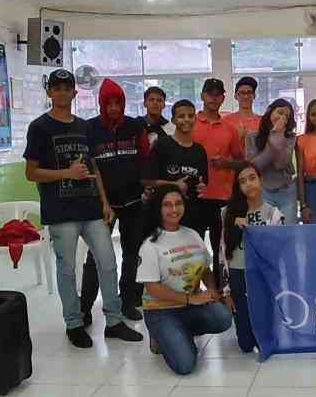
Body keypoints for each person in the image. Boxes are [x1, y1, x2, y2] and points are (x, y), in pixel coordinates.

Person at [23, 69, 142, 348]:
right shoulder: (39, 127)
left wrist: (103, 201)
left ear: (75, 93)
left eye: (68, 88)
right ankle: (74, 323)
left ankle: (113, 321)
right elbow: (31, 172)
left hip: (91, 208)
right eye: (57, 87)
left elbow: (93, 166)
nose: (63, 92)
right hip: (61, 211)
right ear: (50, 92)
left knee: (108, 262)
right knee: (67, 269)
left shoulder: (84, 127)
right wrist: (67, 173)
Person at [136, 184, 231, 374]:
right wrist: (191, 298)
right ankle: (160, 335)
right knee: (185, 365)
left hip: (190, 307)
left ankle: (178, 333)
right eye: (167, 205)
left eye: (178, 203)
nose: (174, 209)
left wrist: (211, 289)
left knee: (223, 318)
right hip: (160, 311)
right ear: (158, 209)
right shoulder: (150, 244)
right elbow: (153, 288)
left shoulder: (192, 234)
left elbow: (205, 269)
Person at [81, 79, 149, 325]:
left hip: (133, 202)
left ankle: (127, 301)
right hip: (102, 205)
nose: (113, 108)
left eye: (117, 102)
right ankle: (84, 307)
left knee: (132, 255)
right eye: (108, 103)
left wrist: (146, 188)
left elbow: (144, 158)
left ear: (123, 103)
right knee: (96, 256)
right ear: (101, 104)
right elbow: (90, 165)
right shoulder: (90, 129)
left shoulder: (134, 127)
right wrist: (100, 201)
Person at [220, 163, 285, 352]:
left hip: (262, 274)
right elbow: (222, 254)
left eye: (252, 178)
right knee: (246, 345)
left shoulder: (273, 214)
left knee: (265, 337)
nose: (248, 184)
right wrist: (226, 290)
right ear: (237, 187)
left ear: (261, 180)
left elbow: (277, 253)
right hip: (238, 273)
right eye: (242, 181)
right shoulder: (227, 213)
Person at [192, 78, 245, 286]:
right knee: (194, 247)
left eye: (218, 94)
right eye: (210, 94)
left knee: (220, 248)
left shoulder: (229, 128)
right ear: (202, 96)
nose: (214, 98)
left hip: (222, 198)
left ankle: (220, 292)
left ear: (223, 97)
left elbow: (241, 162)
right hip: (195, 196)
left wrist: (226, 163)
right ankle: (193, 290)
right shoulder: (191, 124)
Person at [142, 100, 209, 235]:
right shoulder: (162, 145)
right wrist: (174, 184)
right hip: (164, 216)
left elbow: (203, 181)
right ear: (173, 120)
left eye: (190, 116)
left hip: (193, 214)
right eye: (181, 116)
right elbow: (146, 180)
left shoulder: (199, 150)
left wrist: (201, 186)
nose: (186, 120)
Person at [245, 99, 298, 225]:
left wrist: (278, 137)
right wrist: (273, 137)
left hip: (286, 191)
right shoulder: (252, 137)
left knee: (287, 233)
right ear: (269, 112)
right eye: (280, 112)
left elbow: (281, 164)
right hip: (262, 191)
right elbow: (254, 167)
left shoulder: (290, 138)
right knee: (265, 234)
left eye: (287, 116)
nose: (282, 118)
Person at [223, 76, 263, 142]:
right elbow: (222, 145)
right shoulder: (226, 121)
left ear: (254, 96)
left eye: (249, 92)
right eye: (242, 93)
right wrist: (237, 137)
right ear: (236, 96)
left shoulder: (262, 121)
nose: (246, 96)